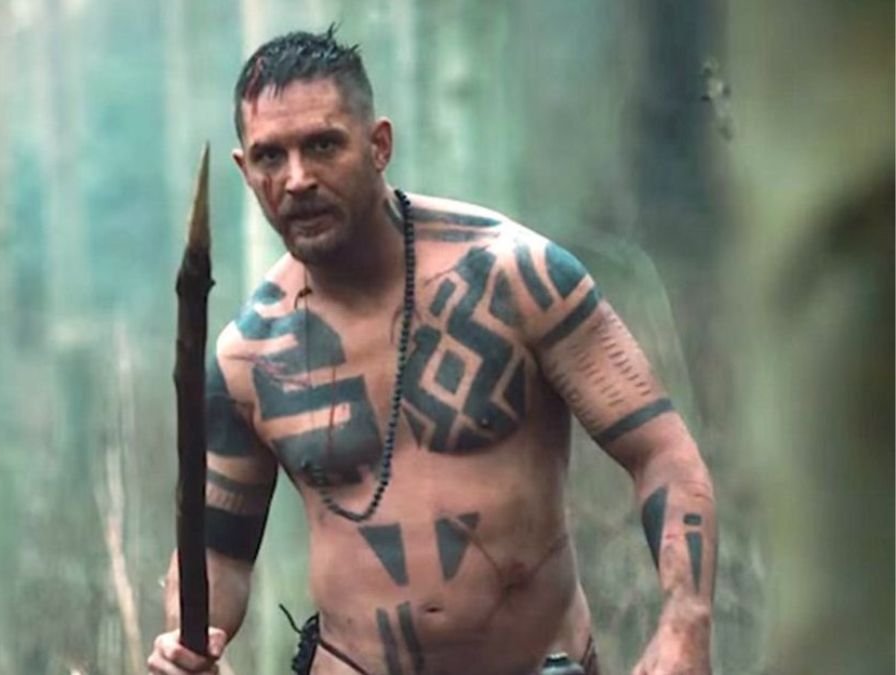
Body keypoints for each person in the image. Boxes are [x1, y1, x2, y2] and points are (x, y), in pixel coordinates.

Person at [148, 27, 716, 675]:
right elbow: (217, 554)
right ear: (244, 170)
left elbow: (661, 453)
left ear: (379, 145)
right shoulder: (251, 356)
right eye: (270, 156)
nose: (297, 179)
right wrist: (189, 644)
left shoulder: (517, 278)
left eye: (323, 145)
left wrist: (685, 622)